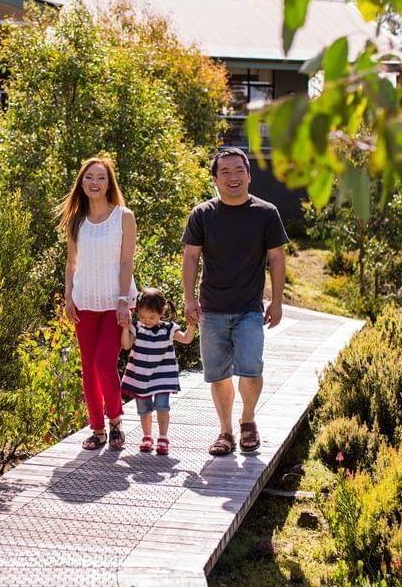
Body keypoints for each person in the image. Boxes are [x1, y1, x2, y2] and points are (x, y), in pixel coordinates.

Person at [182, 147, 288, 456]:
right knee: (218, 375)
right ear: (214, 179)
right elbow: (190, 257)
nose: (232, 177)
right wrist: (189, 300)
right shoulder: (203, 214)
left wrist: (277, 301)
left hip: (249, 310)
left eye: (238, 171)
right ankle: (225, 431)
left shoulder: (266, 213)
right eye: (225, 172)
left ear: (249, 176)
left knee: (251, 368)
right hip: (211, 309)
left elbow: (277, 258)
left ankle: (248, 421)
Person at [58, 156, 137, 450]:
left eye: (100, 177)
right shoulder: (76, 218)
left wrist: (121, 300)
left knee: (105, 363)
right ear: (82, 182)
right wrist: (68, 297)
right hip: (84, 303)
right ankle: (97, 430)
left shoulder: (123, 216)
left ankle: (115, 421)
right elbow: (71, 262)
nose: (94, 182)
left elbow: (127, 260)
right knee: (88, 368)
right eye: (89, 177)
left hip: (115, 303)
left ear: (109, 183)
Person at [120, 288, 196, 455]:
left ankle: (163, 437)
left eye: (152, 317)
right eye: (142, 317)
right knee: (144, 409)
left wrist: (192, 324)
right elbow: (126, 345)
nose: (146, 321)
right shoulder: (137, 328)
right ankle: (147, 436)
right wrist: (125, 328)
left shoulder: (168, 329)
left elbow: (186, 339)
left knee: (163, 406)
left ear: (161, 312)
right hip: (141, 377)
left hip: (162, 377)